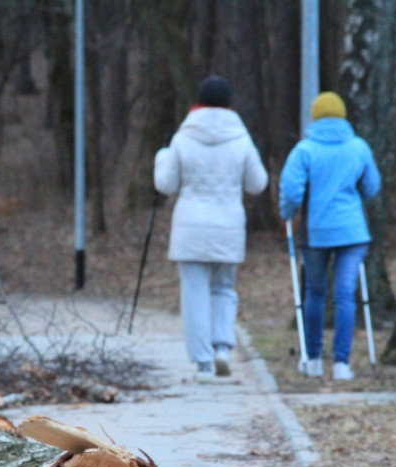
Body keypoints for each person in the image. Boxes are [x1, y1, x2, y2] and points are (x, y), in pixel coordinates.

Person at [154, 75, 268, 382]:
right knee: (224, 290)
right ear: (229, 103)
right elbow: (258, 184)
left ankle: (203, 364)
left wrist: (161, 158)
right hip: (228, 227)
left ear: (199, 101)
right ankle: (222, 348)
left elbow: (165, 184)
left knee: (194, 295)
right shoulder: (241, 138)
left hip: (190, 228)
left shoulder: (183, 137)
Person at [279, 91, 381, 381]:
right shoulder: (359, 147)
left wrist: (287, 211)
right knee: (345, 295)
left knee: (314, 293)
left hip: (317, 232)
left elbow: (291, 189)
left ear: (315, 117)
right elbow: (372, 187)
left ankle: (312, 360)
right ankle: (341, 364)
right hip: (352, 232)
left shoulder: (305, 150)